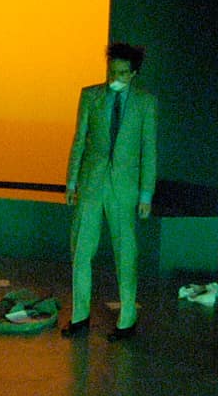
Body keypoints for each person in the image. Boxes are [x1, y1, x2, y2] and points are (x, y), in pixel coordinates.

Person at [63, 41, 158, 340]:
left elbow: (149, 150)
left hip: (125, 187)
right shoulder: (90, 96)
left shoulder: (145, 103)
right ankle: (80, 316)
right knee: (81, 250)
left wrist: (146, 194)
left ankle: (127, 318)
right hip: (92, 182)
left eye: (122, 72)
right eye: (112, 71)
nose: (115, 77)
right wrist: (71, 181)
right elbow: (80, 140)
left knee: (125, 253)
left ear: (133, 73)